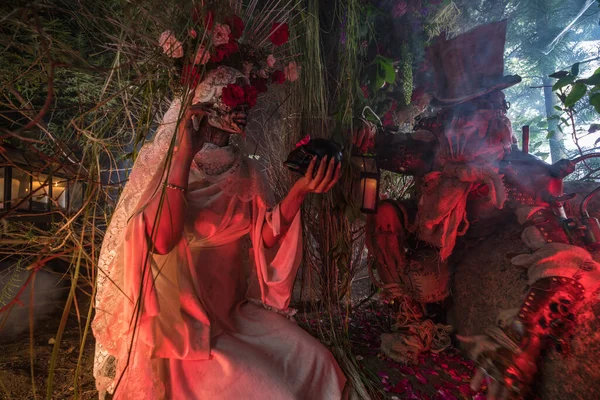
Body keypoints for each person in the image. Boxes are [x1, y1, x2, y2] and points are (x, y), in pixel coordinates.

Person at [92, 60, 347, 399]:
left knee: (319, 362)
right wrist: (184, 154)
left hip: (235, 315)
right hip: (190, 329)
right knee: (277, 392)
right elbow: (162, 241)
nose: (243, 108)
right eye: (232, 97)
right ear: (203, 104)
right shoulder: (171, 166)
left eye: (246, 99)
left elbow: (265, 238)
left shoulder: (244, 171)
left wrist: (300, 190)